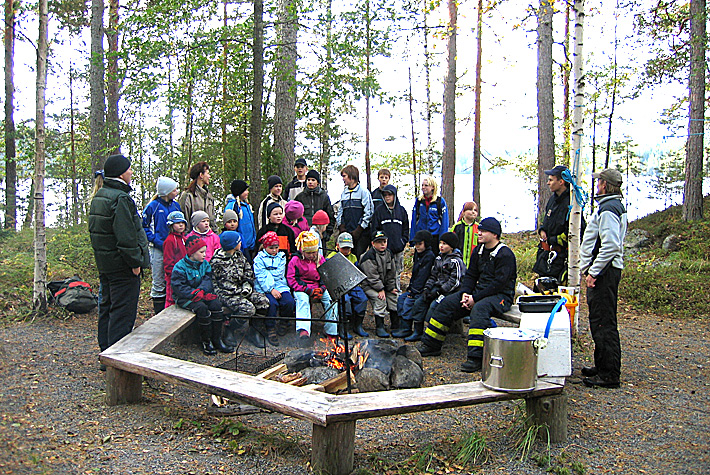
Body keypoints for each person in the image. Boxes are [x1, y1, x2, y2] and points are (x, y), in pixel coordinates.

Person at [418, 218, 516, 373]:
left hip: (500, 296)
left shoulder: (505, 254)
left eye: (483, 231)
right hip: (477, 293)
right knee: (447, 304)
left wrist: (474, 298)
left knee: (479, 310)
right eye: (479, 230)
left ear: (495, 235)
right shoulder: (479, 250)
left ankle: (476, 357)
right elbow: (471, 275)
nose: (479, 233)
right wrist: (465, 293)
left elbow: (499, 284)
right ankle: (431, 345)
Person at [89, 154, 150, 360]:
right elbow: (126, 236)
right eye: (129, 169)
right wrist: (135, 262)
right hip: (122, 267)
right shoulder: (120, 198)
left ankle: (106, 354)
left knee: (106, 308)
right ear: (121, 173)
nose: (131, 172)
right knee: (122, 313)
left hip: (107, 265)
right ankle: (117, 360)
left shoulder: (100, 195)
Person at [580, 168, 627, 389]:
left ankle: (609, 374)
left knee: (603, 321)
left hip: (605, 272)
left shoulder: (609, 209)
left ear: (606, 185)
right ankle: (602, 365)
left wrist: (593, 271)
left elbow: (610, 245)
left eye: (599, 181)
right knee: (599, 320)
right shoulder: (612, 205)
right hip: (606, 270)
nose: (597, 185)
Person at [171, 235, 234, 355]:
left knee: (216, 305)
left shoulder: (204, 264)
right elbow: (178, 287)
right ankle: (206, 341)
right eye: (201, 252)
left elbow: (208, 280)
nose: (205, 254)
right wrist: (194, 293)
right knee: (202, 308)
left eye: (205, 251)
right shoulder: (180, 267)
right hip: (185, 298)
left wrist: (202, 291)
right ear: (192, 253)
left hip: (203, 294)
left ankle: (217, 339)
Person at [211, 231, 271, 348]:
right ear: (233, 245)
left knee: (263, 302)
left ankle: (253, 332)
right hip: (228, 294)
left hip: (243, 290)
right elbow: (216, 282)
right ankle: (230, 330)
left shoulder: (239, 255)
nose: (240, 243)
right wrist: (228, 293)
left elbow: (248, 270)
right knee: (248, 309)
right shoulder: (217, 261)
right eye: (238, 242)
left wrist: (247, 284)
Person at [406, 232, 465, 341]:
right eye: (440, 243)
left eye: (445, 244)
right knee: (420, 302)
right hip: (436, 288)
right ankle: (418, 331)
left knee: (434, 306)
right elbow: (433, 275)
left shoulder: (456, 261)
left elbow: (455, 282)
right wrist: (427, 288)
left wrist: (440, 291)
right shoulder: (438, 259)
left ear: (451, 246)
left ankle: (432, 334)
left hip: (450, 292)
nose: (441, 246)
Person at [287, 231, 339, 341]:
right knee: (303, 300)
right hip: (302, 287)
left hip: (318, 286)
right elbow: (292, 279)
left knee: (331, 300)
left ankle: (331, 329)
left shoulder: (320, 259)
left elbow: (325, 276)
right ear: (303, 251)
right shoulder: (295, 260)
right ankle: (303, 330)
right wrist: (308, 290)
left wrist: (322, 288)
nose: (312, 255)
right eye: (309, 253)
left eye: (314, 252)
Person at [142, 176, 182, 314]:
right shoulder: (153, 207)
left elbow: (181, 224)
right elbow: (145, 227)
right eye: (174, 189)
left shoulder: (176, 205)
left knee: (174, 277)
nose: (176, 191)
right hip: (157, 249)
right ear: (166, 191)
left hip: (175, 248)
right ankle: (159, 313)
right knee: (159, 280)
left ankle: (173, 307)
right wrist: (156, 241)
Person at [392, 230, 436, 340]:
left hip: (424, 289)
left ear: (426, 243)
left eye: (419, 244)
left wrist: (414, 291)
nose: (417, 246)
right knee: (401, 299)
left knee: (411, 302)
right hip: (415, 287)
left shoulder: (429, 256)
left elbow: (423, 276)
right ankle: (404, 327)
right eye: (415, 244)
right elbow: (415, 273)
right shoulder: (418, 254)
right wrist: (410, 288)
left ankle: (417, 331)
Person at [254, 231, 297, 339]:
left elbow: (279, 273)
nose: (274, 250)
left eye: (276, 247)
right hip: (264, 287)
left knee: (289, 302)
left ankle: (284, 322)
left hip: (280, 285)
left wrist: (269, 273)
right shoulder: (259, 259)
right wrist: (271, 289)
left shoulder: (281, 257)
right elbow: (261, 276)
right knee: (271, 304)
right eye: (271, 248)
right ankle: (270, 327)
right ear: (265, 247)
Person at [533, 165, 572, 283]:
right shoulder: (552, 200)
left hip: (560, 260)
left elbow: (574, 233)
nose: (548, 183)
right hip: (545, 257)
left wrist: (552, 240)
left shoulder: (571, 203)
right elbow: (547, 221)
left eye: (551, 180)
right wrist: (542, 230)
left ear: (561, 182)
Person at [327, 232, 369, 337]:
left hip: (352, 285)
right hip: (339, 287)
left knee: (362, 298)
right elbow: (329, 278)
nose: (346, 251)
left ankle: (357, 325)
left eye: (348, 248)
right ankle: (343, 326)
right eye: (344, 248)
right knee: (345, 301)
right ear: (337, 246)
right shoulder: (331, 257)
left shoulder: (353, 257)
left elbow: (357, 273)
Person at [358, 231, 399, 338]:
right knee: (380, 299)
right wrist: (380, 289)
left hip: (383, 285)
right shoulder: (368, 256)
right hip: (369, 286)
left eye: (384, 242)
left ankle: (395, 324)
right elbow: (372, 276)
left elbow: (391, 273)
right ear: (373, 243)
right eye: (379, 242)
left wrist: (391, 288)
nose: (382, 244)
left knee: (394, 297)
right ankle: (379, 326)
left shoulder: (388, 254)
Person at [370, 184, 409, 290]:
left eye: (390, 195)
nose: (387, 197)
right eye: (385, 195)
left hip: (398, 248)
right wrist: (379, 244)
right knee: (383, 272)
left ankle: (396, 294)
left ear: (394, 196)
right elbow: (374, 229)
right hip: (384, 250)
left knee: (397, 272)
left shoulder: (401, 211)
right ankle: (383, 293)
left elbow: (406, 229)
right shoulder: (379, 211)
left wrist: (402, 242)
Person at [336, 164, 374, 258]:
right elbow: (340, 211)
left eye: (344, 176)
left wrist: (360, 229)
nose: (343, 179)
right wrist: (341, 226)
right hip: (347, 233)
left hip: (360, 234)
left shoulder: (363, 192)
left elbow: (369, 212)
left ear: (351, 176)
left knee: (358, 258)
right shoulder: (344, 193)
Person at [294, 169, 335, 242]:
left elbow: (330, 216)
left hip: (320, 235)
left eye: (313, 180)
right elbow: (294, 216)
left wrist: (326, 234)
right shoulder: (300, 197)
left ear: (318, 182)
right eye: (308, 180)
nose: (310, 182)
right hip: (304, 235)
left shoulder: (324, 197)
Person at [179, 161, 218, 232]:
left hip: (209, 240)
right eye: (208, 173)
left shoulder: (209, 197)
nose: (209, 176)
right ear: (201, 175)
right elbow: (185, 221)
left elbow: (212, 220)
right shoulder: (188, 196)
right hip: (193, 240)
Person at [410, 175, 449, 245]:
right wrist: (412, 238)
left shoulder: (440, 201)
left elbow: (444, 222)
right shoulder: (419, 201)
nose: (423, 187)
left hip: (434, 236)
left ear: (433, 187)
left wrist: (443, 240)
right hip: (421, 236)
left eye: (426, 185)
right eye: (422, 185)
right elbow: (414, 220)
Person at [226, 179, 256, 263]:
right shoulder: (233, 205)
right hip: (240, 245)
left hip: (250, 244)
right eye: (245, 190)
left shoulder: (247, 205)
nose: (247, 192)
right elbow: (230, 224)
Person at [163, 211, 188, 309]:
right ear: (171, 225)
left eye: (182, 223)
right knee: (171, 299)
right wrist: (172, 275)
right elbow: (168, 261)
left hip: (184, 274)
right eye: (177, 223)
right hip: (173, 275)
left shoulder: (184, 239)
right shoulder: (170, 240)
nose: (181, 225)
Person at [450, 202, 479, 270]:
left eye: (475, 210)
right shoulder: (456, 227)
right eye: (470, 209)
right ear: (463, 212)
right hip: (458, 261)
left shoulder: (478, 228)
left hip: (473, 262)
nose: (473, 212)